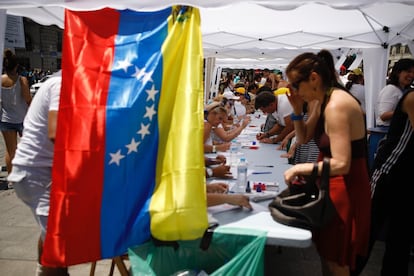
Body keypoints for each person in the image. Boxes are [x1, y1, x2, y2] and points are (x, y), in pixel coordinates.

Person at [283, 50, 371, 276]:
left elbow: (342, 163)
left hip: (345, 188)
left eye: (295, 84)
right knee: (326, 254)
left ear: (313, 78)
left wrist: (301, 167)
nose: (293, 90)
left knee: (337, 261)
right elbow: (302, 138)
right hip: (331, 186)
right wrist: (296, 112)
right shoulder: (323, 101)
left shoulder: (336, 106)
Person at [6, 71, 67, 275]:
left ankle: (42, 270)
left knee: (51, 233)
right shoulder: (62, 83)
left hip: (38, 171)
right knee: (57, 240)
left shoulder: (61, 81)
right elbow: (55, 133)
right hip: (38, 174)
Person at [358, 87, 414, 276]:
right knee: (369, 229)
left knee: (401, 238)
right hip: (389, 172)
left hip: (408, 180)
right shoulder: (412, 97)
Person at [1, 49, 32, 175]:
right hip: (23, 119)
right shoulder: (22, 80)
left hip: (6, 120)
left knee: (10, 151)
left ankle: (12, 177)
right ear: (16, 66)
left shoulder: (1, 80)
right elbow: (28, 99)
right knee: (29, 148)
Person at [375, 58, 414, 128]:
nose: (411, 75)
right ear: (398, 72)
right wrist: (406, 110)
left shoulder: (402, 90)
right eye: (408, 71)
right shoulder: (391, 89)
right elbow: (383, 115)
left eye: (413, 73)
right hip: (385, 132)